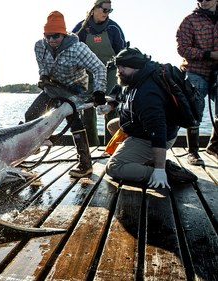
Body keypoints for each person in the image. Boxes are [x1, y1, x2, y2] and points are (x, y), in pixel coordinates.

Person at [25, 11, 107, 178]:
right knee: (31, 114)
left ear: (63, 34)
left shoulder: (78, 49)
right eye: (47, 36)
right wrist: (44, 76)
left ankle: (85, 163)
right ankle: (35, 145)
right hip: (54, 85)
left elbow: (99, 68)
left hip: (74, 85)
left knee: (71, 116)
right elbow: (42, 67)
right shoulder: (39, 46)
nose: (51, 40)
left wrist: (99, 91)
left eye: (55, 36)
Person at [105, 47, 179, 188]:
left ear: (136, 67)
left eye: (124, 67)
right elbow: (119, 92)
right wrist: (110, 106)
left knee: (114, 167)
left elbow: (157, 131)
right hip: (139, 128)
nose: (119, 71)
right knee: (112, 125)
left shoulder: (147, 94)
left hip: (153, 137)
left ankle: (165, 173)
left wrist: (159, 170)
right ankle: (142, 159)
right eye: (118, 66)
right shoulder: (134, 78)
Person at [72, 0, 127, 146]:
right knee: (88, 112)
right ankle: (91, 146)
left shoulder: (114, 28)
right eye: (104, 10)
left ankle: (112, 147)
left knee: (111, 109)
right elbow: (71, 50)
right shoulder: (81, 28)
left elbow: (122, 53)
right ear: (95, 8)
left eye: (110, 10)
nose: (107, 13)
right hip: (87, 75)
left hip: (110, 74)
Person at [176, 0, 218, 164]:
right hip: (196, 71)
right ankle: (193, 152)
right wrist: (209, 55)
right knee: (194, 112)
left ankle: (214, 145)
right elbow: (183, 49)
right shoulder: (189, 21)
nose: (204, 1)